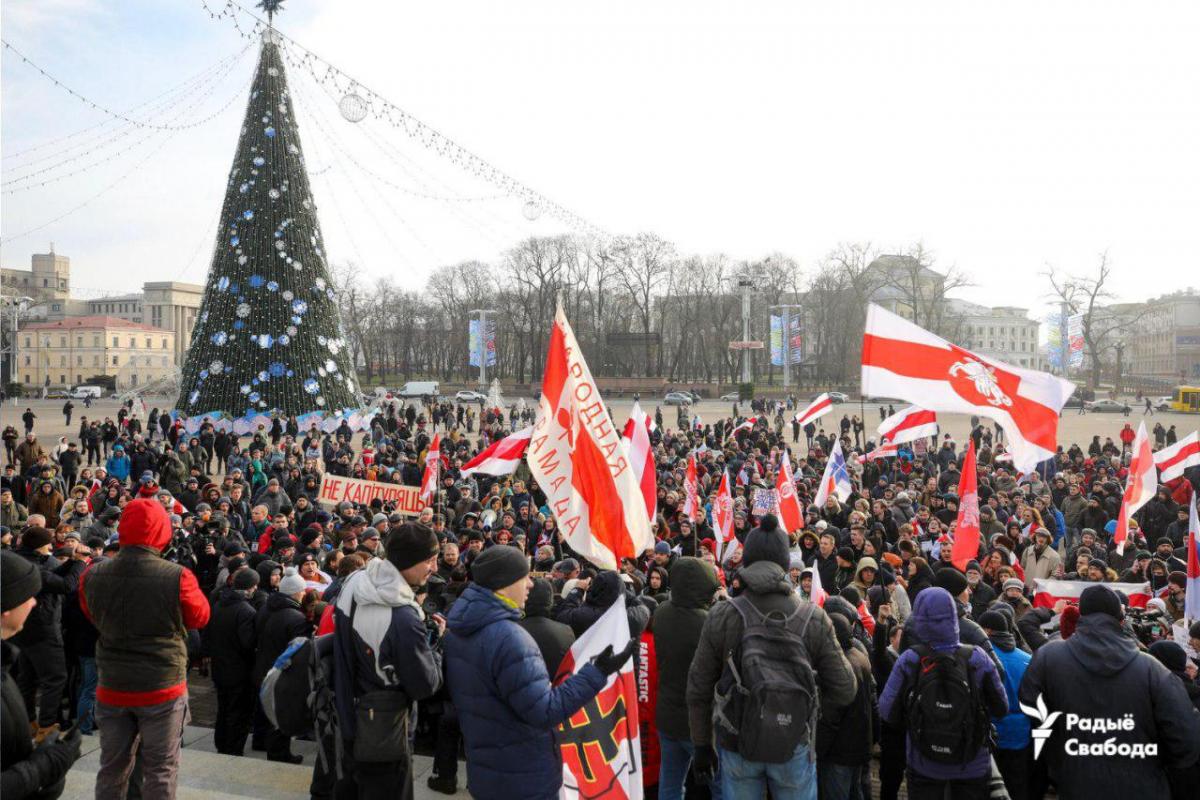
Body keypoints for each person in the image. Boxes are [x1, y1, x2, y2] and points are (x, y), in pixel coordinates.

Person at [444, 544, 635, 800]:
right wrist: (596, 673)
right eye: (524, 578)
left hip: (486, 774)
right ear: (504, 583)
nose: (531, 585)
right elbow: (545, 712)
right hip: (524, 779)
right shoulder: (510, 639)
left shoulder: (458, 630)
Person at [688, 522, 857, 799]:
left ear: (748, 559)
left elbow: (698, 687)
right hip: (793, 741)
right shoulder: (813, 618)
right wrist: (806, 709)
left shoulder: (722, 615)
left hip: (737, 741)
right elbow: (845, 688)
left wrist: (702, 745)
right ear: (784, 561)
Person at [80, 498, 211, 800]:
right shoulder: (177, 576)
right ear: (162, 531)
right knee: (160, 769)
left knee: (112, 767)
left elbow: (92, 614)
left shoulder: (92, 574)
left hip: (112, 683)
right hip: (161, 687)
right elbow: (200, 617)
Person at [1019, 584, 1200, 798]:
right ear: (1121, 618)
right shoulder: (1152, 669)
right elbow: (1184, 740)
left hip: (1078, 783)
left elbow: (1034, 720)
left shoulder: (1048, 658)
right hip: (1142, 785)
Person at [332, 522, 444, 797]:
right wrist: (437, 645)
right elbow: (425, 685)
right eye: (430, 560)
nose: (435, 568)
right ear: (409, 561)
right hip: (384, 735)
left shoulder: (356, 581)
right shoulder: (403, 618)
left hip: (346, 718)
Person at [878, 587, 1008, 800]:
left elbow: (887, 712)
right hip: (971, 762)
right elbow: (1001, 708)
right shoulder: (977, 658)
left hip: (924, 761)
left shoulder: (910, 659)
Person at [2, 550, 83, 799]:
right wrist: (42, 768)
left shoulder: (6, 664)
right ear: (7, 607)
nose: (34, 602)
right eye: (29, 596)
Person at [652, 557, 721, 800]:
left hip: (668, 715)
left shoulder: (660, 613)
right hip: (701, 724)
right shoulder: (709, 623)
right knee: (721, 787)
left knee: (670, 784)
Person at [12, 526, 87, 742]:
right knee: (56, 678)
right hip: (43, 629)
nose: (51, 546)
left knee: (27, 678)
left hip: (24, 629)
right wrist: (81, 563)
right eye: (48, 543)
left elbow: (50, 575)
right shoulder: (33, 566)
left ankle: (28, 722)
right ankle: (46, 726)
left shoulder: (23, 560)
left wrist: (71, 563)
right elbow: (65, 585)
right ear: (38, 546)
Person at [253, 569, 309, 765]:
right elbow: (297, 650)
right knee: (279, 712)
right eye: (302, 590)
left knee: (263, 710)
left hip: (261, 665)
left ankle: (260, 742)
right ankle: (279, 754)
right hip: (280, 672)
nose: (304, 593)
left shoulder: (266, 608)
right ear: (295, 592)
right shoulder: (296, 618)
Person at [203, 567, 259, 757]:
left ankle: (222, 744)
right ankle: (233, 749)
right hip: (239, 671)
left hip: (220, 668)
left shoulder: (218, 604)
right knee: (238, 713)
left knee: (224, 709)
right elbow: (247, 644)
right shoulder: (246, 611)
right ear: (250, 587)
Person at [977, 609, 1031, 800]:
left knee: (988, 785)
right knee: (1016, 783)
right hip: (1020, 731)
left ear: (988, 631)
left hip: (991, 730)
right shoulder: (1027, 659)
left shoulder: (981, 655)